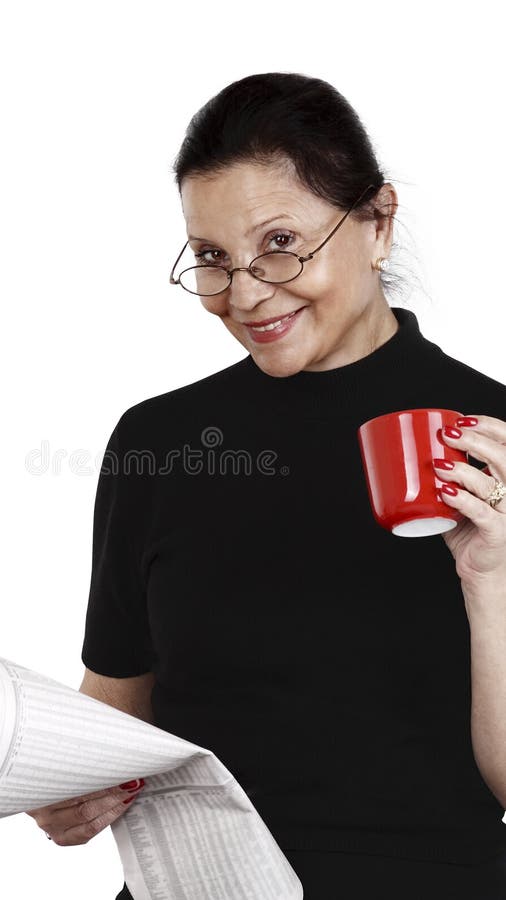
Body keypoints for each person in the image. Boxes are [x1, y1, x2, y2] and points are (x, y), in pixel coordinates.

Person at [26, 73, 506, 899]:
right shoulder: (161, 443)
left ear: (379, 222)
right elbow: (116, 709)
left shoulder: (492, 442)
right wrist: (66, 787)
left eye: (280, 243)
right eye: (213, 258)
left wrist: (490, 579)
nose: (244, 294)